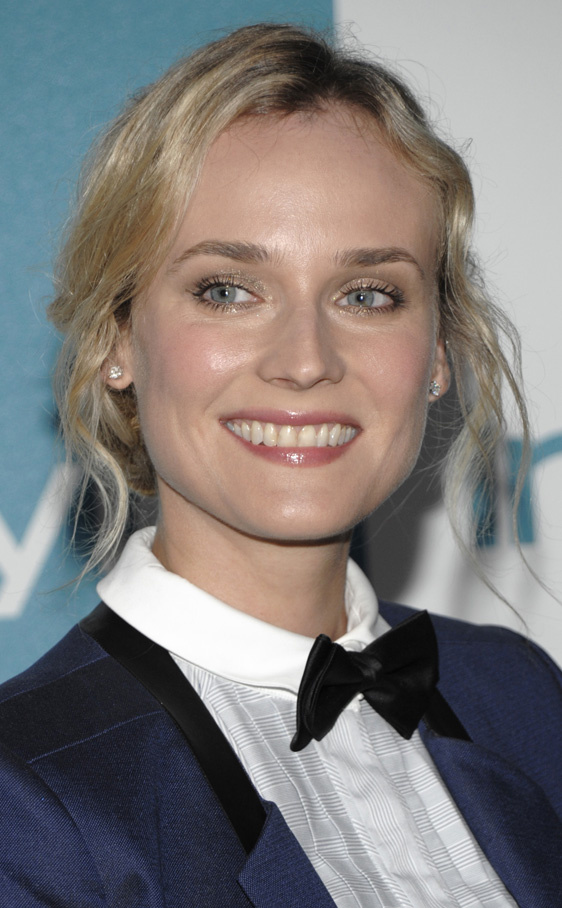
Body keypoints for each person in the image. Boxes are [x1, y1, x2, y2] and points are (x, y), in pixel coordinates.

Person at [1, 22, 561, 908]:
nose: (306, 360)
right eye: (227, 290)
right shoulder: (25, 797)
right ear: (117, 338)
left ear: (439, 352)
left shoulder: (524, 698)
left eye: (367, 294)